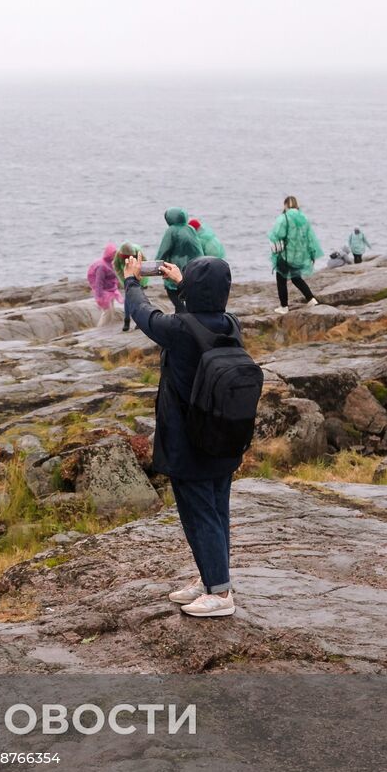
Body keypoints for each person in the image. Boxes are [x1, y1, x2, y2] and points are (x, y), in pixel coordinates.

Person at [123, 255, 246, 618]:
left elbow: (143, 313)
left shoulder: (178, 331)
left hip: (189, 441)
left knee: (199, 514)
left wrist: (132, 281)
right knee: (215, 509)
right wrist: (180, 287)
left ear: (193, 289)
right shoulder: (230, 324)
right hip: (223, 434)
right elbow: (194, 319)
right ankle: (213, 579)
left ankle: (220, 594)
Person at [267, 196, 323, 314]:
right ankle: (311, 299)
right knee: (296, 278)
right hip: (298, 256)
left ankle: (284, 306)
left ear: (286, 205)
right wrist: (312, 253)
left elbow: (276, 234)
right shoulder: (304, 218)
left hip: (285, 255)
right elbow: (310, 238)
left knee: (281, 279)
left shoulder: (284, 218)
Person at [155, 208, 202, 311]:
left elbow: (163, 250)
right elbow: (198, 249)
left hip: (175, 269)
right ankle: (182, 319)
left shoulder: (171, 230)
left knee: (175, 297)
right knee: (186, 296)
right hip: (192, 269)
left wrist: (154, 266)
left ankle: (184, 318)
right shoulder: (190, 229)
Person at [112, 243, 148, 332]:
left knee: (140, 299)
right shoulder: (118, 254)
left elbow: (145, 265)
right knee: (127, 299)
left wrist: (142, 281)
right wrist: (124, 280)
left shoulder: (138, 252)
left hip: (139, 275)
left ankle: (139, 322)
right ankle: (126, 320)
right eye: (125, 257)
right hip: (126, 274)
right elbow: (116, 267)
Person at [87, 243, 124, 328]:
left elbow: (114, 275)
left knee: (111, 312)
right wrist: (99, 296)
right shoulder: (101, 266)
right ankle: (100, 329)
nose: (115, 255)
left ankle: (108, 328)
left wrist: (117, 283)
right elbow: (99, 282)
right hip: (103, 292)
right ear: (109, 253)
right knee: (107, 312)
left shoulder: (112, 263)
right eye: (113, 253)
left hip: (111, 290)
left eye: (116, 253)